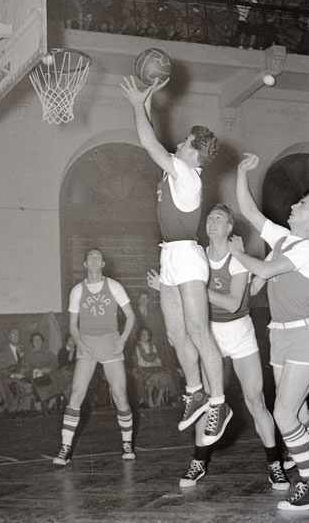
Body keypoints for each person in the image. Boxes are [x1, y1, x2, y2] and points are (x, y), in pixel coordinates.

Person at [229, 152, 309, 510]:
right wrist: (241, 172)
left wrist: (238, 254)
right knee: (297, 412)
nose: (293, 206)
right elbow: (249, 211)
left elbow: (264, 272)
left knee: (283, 414)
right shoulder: (283, 238)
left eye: (301, 204)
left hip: (304, 338)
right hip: (279, 336)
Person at [120, 75, 231, 443]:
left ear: (194, 154)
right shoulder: (179, 170)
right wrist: (146, 101)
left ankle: (219, 403)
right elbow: (154, 138)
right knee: (175, 334)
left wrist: (136, 104)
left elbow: (148, 142)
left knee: (199, 332)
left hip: (186, 256)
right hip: (169, 255)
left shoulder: (186, 173)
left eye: (185, 143)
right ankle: (195, 391)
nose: (179, 144)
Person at [148, 204, 289, 490]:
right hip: (209, 333)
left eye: (219, 219)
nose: (212, 222)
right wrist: (170, 287)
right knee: (206, 404)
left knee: (255, 401)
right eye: (210, 218)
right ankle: (198, 462)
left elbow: (234, 303)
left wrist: (193, 289)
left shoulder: (237, 258)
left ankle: (275, 464)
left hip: (240, 333)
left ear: (229, 227)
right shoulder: (196, 256)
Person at [53, 248, 136, 465]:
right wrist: (80, 343)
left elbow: (130, 316)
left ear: (103, 264)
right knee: (76, 394)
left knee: (119, 395)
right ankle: (65, 449)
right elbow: (72, 325)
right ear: (85, 264)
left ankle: (127, 443)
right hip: (87, 344)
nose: (94, 259)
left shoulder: (114, 286)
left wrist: (122, 340)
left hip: (110, 342)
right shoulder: (77, 291)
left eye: (98, 257)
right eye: (90, 257)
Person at [133, 327, 180, 407]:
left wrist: (159, 364)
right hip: (144, 368)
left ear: (149, 336)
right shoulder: (137, 347)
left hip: (155, 367)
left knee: (166, 376)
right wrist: (146, 364)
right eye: (142, 334)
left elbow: (156, 358)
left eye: (145, 334)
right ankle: (149, 399)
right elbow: (138, 360)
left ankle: (159, 400)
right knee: (154, 377)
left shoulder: (152, 346)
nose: (143, 336)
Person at [0, 328, 34, 414]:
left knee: (35, 382)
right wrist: (14, 375)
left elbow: (29, 364)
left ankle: (25, 410)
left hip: (24, 375)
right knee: (23, 385)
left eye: (18, 335)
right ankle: (15, 410)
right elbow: (1, 369)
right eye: (13, 335)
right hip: (10, 377)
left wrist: (22, 358)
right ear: (9, 337)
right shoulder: (3, 351)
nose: (16, 337)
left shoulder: (23, 348)